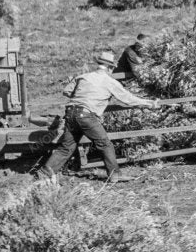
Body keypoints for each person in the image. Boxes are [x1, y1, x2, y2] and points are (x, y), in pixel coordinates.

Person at [41, 49, 150, 182]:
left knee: (67, 146)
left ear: (98, 65)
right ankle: (115, 174)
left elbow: (66, 91)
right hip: (86, 116)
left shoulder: (83, 77)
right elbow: (127, 99)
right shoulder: (110, 82)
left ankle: (45, 173)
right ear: (110, 68)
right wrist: (148, 103)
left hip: (70, 113)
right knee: (105, 144)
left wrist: (83, 95)